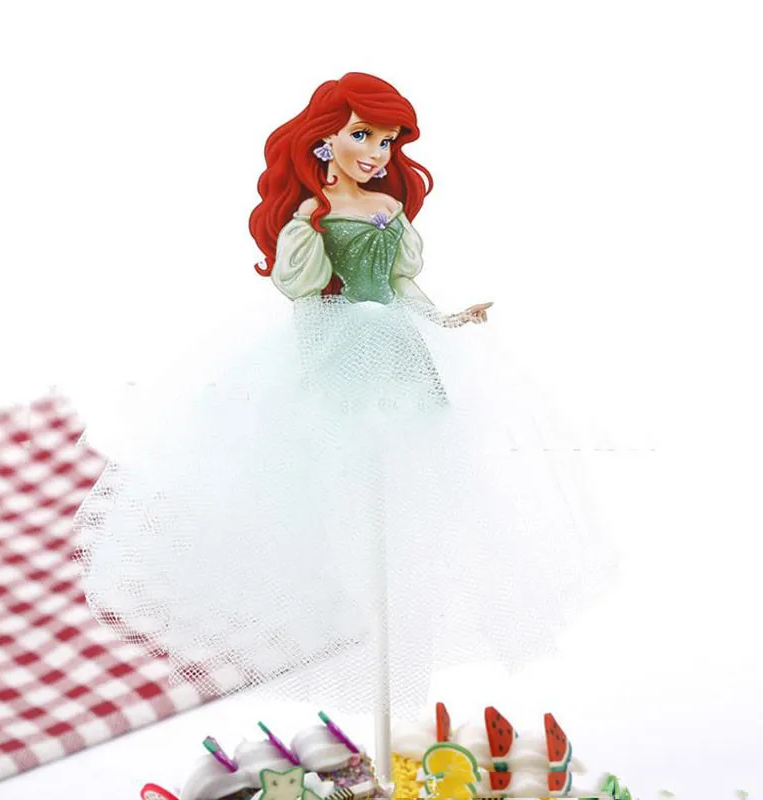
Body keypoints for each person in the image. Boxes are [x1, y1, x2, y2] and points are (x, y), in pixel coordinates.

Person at [73, 72, 612, 716]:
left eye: (387, 141)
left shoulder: (388, 208)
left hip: (398, 354)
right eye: (364, 135)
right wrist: (309, 227)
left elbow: (402, 285)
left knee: (410, 489)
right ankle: (334, 603)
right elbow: (301, 287)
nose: (377, 153)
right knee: (335, 478)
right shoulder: (312, 215)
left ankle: (386, 618)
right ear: (325, 139)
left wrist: (442, 322)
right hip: (335, 351)